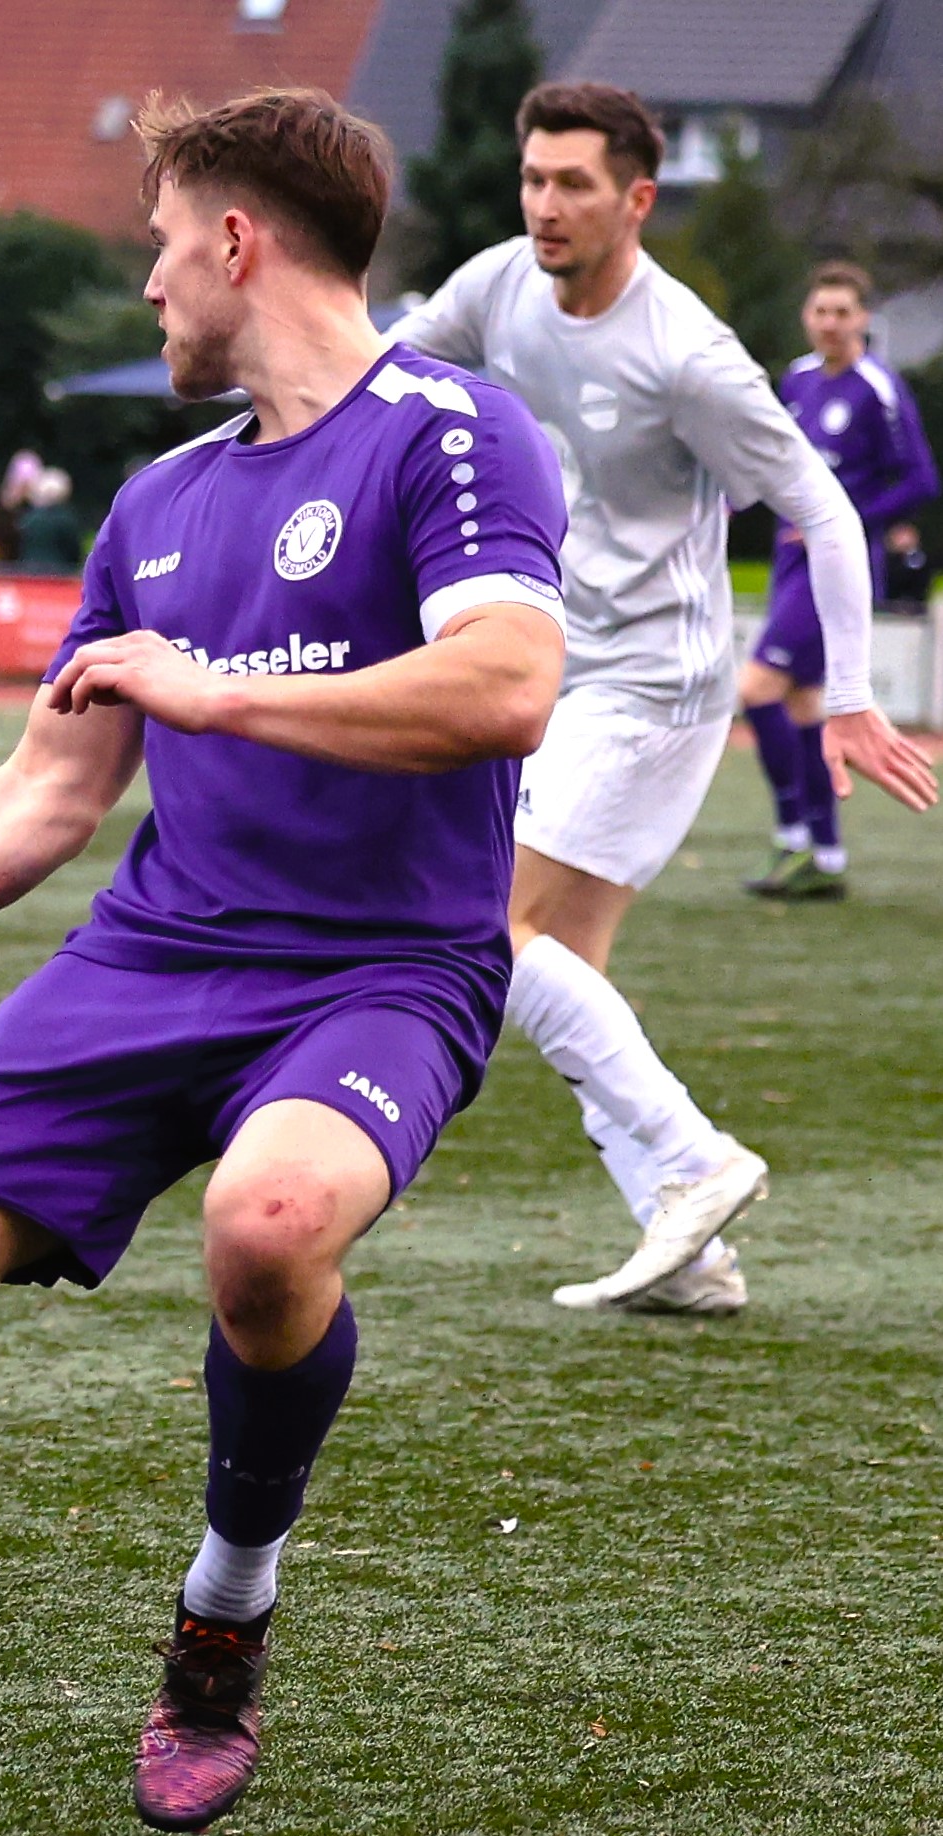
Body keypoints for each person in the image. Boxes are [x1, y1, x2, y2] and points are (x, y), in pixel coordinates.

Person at [0, 85, 569, 1836]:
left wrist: (219, 689)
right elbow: (43, 796)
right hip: (154, 955)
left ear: (237, 240)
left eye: (159, 246)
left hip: (384, 969)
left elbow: (507, 689)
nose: (149, 286)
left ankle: (226, 1604)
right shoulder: (151, 504)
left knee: (270, 1227)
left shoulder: (451, 434)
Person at [394, 82, 934, 1316]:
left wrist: (847, 694)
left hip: (656, 686)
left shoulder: (687, 354)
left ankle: (693, 1158)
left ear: (638, 198)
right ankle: (688, 1253)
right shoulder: (496, 286)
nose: (546, 204)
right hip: (562, 669)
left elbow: (825, 508)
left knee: (491, 926)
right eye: (534, 179)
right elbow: (385, 385)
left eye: (574, 183)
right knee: (562, 965)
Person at [735, 262, 938, 899]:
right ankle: (823, 856)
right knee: (801, 706)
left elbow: (921, 480)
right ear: (807, 315)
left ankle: (795, 834)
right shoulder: (795, 379)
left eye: (843, 313)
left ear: (864, 320)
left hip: (840, 564)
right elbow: (769, 458)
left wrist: (851, 519)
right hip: (791, 561)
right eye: (821, 311)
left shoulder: (878, 388)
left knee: (757, 686)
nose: (830, 323)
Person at [16, 466, 84, 574]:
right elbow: (74, 552)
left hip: (29, 573)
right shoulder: (67, 520)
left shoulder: (28, 519)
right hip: (59, 575)